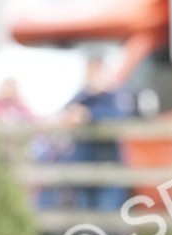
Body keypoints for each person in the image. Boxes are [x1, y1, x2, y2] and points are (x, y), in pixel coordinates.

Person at [56, 55, 134, 211]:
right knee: (85, 212)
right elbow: (66, 113)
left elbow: (119, 115)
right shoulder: (83, 96)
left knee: (108, 209)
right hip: (83, 161)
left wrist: (88, 115)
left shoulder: (115, 95)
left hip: (108, 161)